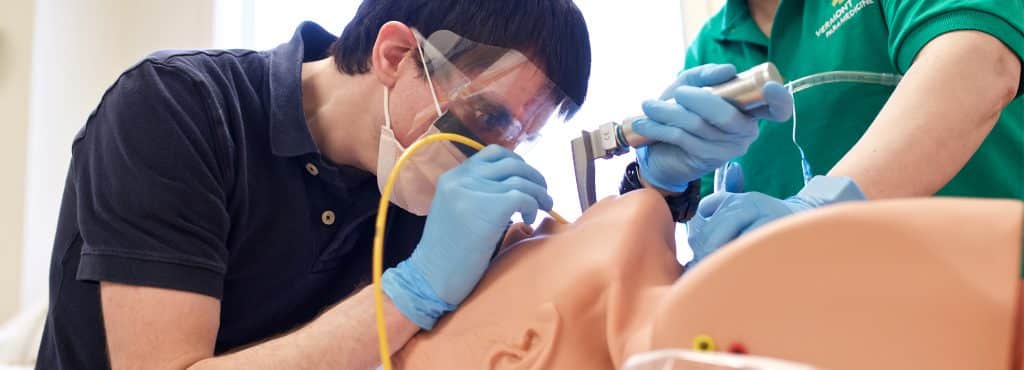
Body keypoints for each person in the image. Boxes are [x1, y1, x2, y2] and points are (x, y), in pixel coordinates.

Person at [35, 0, 795, 368]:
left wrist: (662, 189)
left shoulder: (434, 186)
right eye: (485, 116)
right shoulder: (176, 113)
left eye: (520, 136)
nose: (492, 152)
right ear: (398, 54)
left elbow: (563, 276)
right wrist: (412, 291)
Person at [675, 0, 1024, 263]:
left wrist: (819, 210)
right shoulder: (709, 47)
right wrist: (659, 185)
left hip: (983, 299)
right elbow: (700, 222)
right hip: (815, 333)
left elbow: (980, 63)